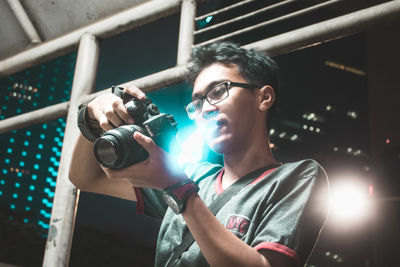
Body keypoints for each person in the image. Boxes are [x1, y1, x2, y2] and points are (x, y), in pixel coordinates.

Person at [69, 41, 329, 267]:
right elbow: (85, 178)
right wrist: (91, 116)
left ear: (264, 97)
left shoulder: (297, 177)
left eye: (218, 92)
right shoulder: (194, 174)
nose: (205, 109)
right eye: (197, 102)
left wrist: (177, 189)